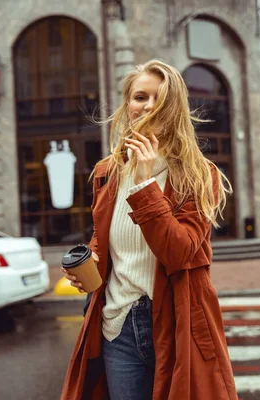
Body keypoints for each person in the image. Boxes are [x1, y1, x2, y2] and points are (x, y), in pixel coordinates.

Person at [60, 59, 238, 400]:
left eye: (162, 98)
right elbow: (106, 241)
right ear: (128, 105)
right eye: (141, 97)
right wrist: (90, 264)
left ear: (176, 109)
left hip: (175, 322)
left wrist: (145, 185)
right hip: (117, 324)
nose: (150, 106)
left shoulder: (199, 175)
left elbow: (179, 252)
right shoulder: (107, 172)